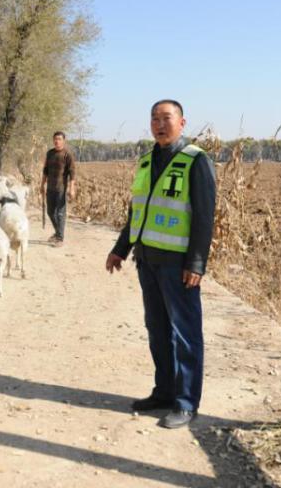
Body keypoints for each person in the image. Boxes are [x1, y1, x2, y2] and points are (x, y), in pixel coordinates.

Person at [105, 99, 216, 429]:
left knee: (185, 335)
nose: (159, 123)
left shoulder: (195, 161)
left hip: (178, 264)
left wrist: (196, 263)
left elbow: (204, 217)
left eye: (167, 118)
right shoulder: (145, 162)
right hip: (148, 261)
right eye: (154, 118)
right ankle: (164, 392)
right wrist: (120, 249)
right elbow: (138, 212)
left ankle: (185, 403)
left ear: (182, 123)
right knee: (158, 332)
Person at [41, 131, 76, 246]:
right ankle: (58, 233)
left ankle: (60, 238)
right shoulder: (50, 153)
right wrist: (42, 185)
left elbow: (72, 173)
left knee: (60, 213)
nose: (57, 141)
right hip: (50, 188)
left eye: (59, 139)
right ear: (53, 140)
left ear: (63, 141)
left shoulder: (67, 154)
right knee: (50, 212)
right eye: (55, 139)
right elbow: (45, 170)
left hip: (61, 188)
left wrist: (71, 189)